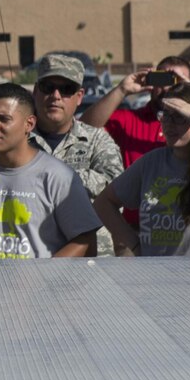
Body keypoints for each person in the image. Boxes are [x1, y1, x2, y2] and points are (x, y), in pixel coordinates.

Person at [0, 84, 100, 259]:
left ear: (29, 124)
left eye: (3, 119)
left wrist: (45, 278)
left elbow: (86, 241)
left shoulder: (58, 176)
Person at [91, 82, 190, 256]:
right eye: (166, 115)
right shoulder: (152, 161)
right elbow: (104, 203)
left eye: (180, 116)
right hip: (157, 278)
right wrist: (135, 246)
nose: (170, 124)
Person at [28, 53, 124, 256]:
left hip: (92, 262)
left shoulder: (97, 140)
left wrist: (51, 176)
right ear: (36, 91)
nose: (56, 96)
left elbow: (116, 190)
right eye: (48, 87)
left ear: (79, 96)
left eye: (66, 90)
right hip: (32, 260)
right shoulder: (16, 140)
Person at [82, 55, 190, 168]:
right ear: (152, 82)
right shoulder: (129, 120)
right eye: (163, 79)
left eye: (177, 82)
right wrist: (122, 90)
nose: (167, 88)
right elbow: (83, 130)